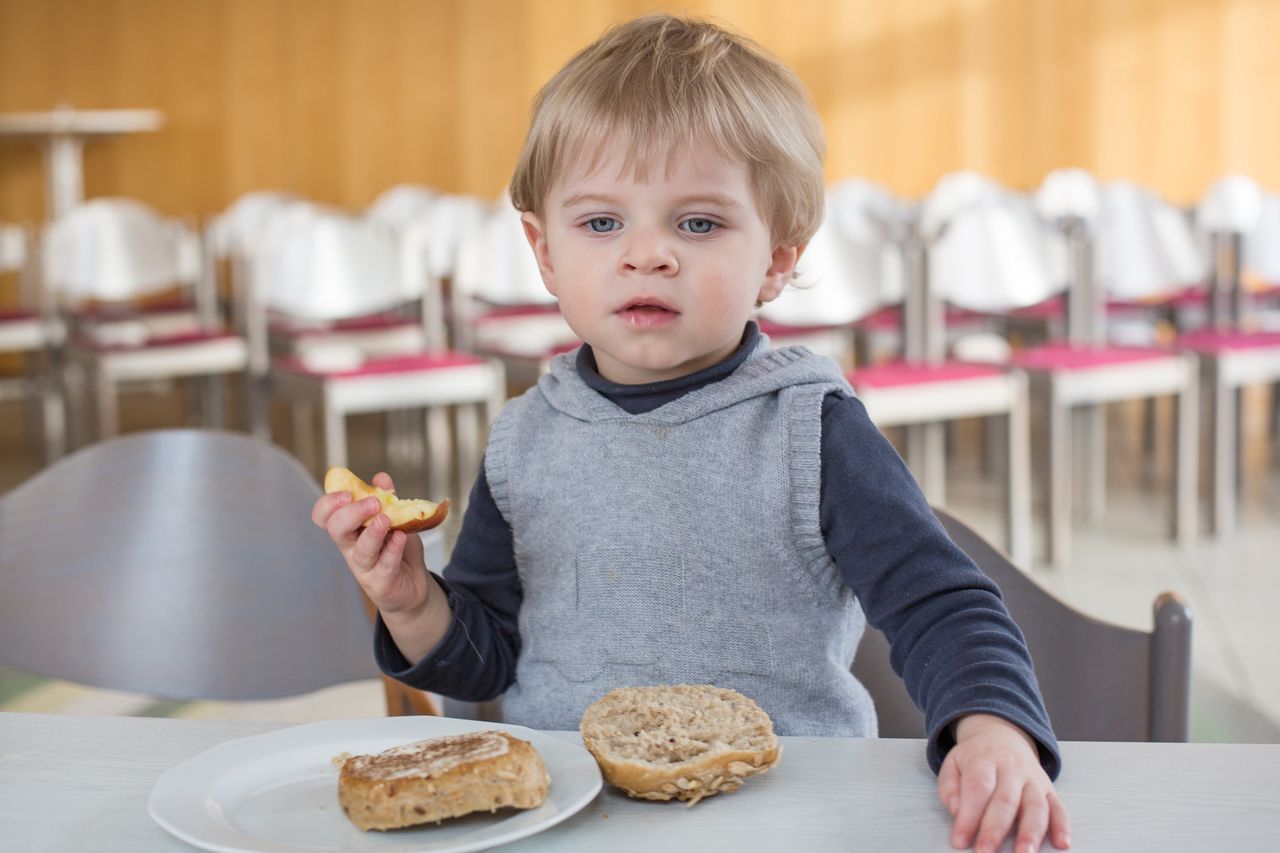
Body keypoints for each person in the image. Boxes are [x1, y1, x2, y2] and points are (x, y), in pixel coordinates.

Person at [313, 14, 1070, 853]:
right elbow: (483, 661)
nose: (648, 255)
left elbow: (939, 601)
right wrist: (414, 602)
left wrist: (992, 726)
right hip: (573, 818)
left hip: (788, 816)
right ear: (545, 252)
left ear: (778, 258)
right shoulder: (524, 440)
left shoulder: (809, 425)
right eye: (602, 223)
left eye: (698, 224)